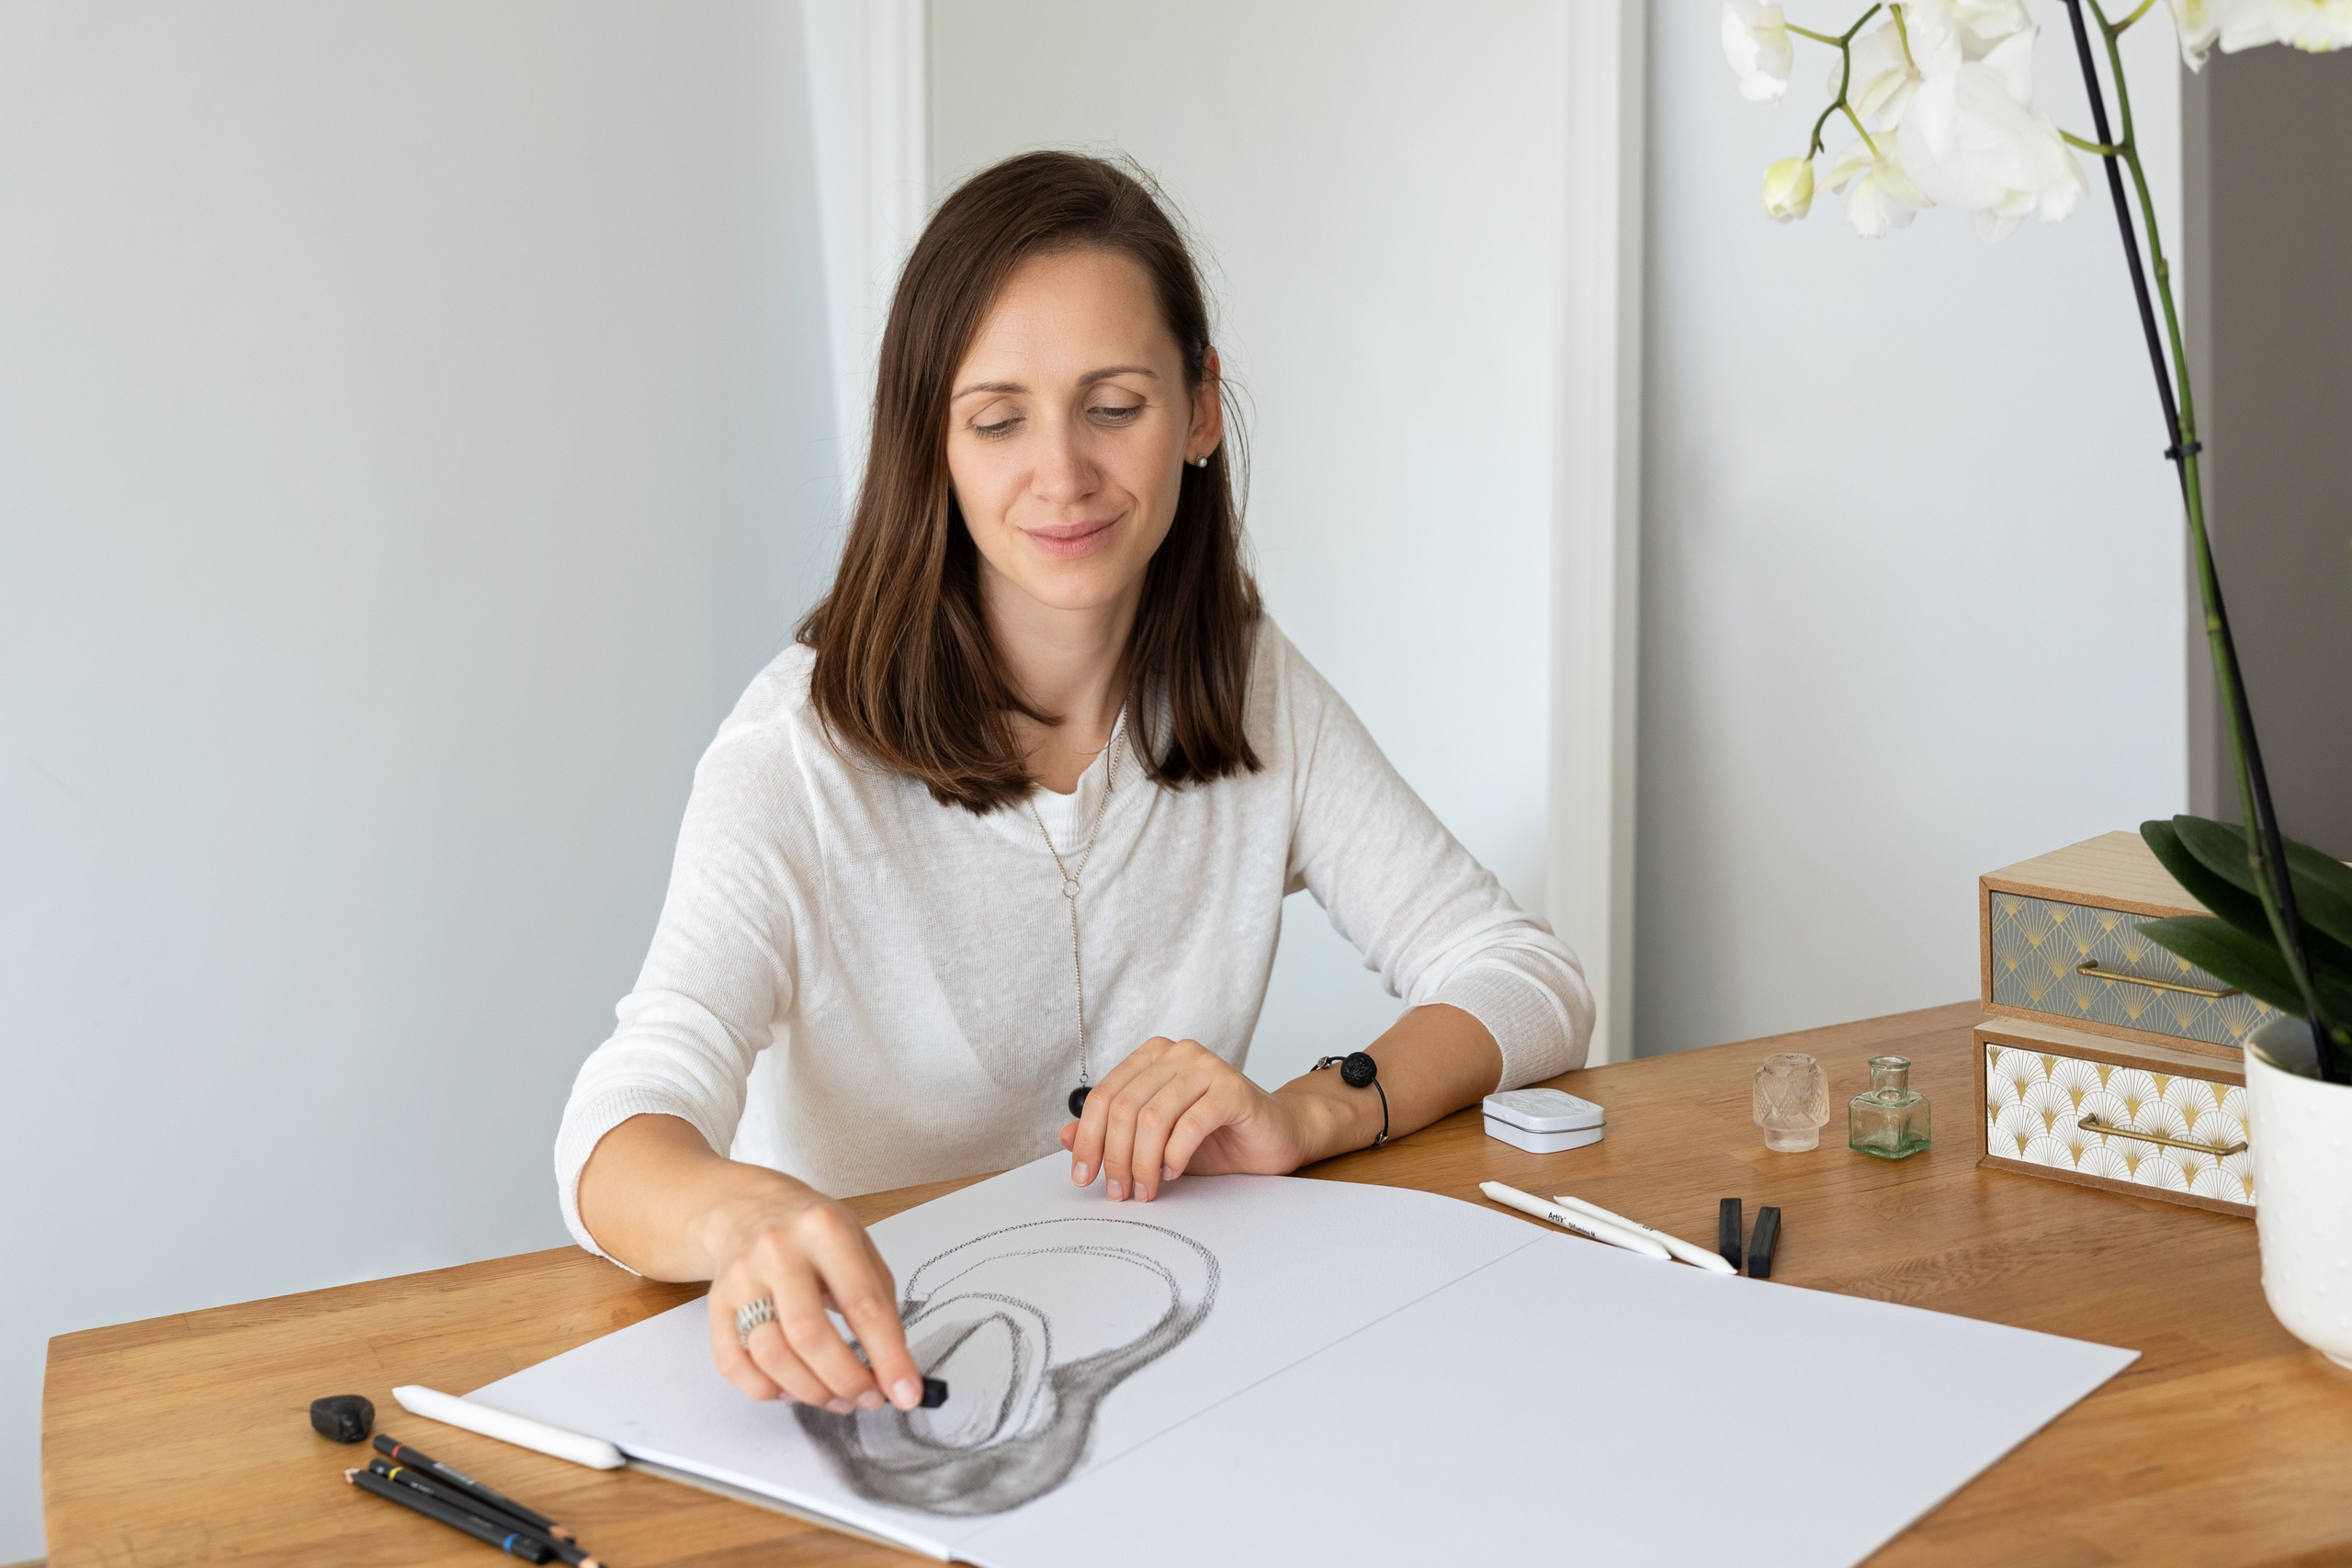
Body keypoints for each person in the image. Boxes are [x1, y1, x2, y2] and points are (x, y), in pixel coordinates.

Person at [559, 150, 1592, 1424]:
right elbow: (616, 1125)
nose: (1062, 474)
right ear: (930, 443)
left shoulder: (1253, 687)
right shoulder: (793, 757)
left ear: (1200, 410)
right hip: (892, 1397)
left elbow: (1527, 979)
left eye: (1113, 406)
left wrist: (1308, 1114)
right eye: (999, 419)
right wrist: (744, 1217)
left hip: (1176, 1380)